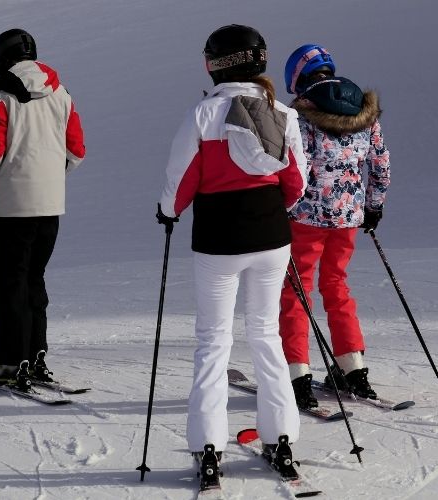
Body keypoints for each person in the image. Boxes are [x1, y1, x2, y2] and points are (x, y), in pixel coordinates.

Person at [157, 24, 308, 479]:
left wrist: (169, 212)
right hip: (271, 237)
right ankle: (280, 443)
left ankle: (208, 449)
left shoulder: (203, 115)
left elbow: (180, 179)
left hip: (218, 240)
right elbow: (296, 183)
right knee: (266, 336)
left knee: (213, 341)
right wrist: (267, 208)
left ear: (215, 64)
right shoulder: (282, 113)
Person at [0, 28, 86, 389]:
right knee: (34, 279)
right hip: (51, 205)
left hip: (14, 207)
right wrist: (48, 178)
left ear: (1, 58)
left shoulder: (2, 97)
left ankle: (13, 363)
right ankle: (35, 357)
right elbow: (76, 152)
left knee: (11, 281)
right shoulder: (61, 93)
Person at [278, 44, 391, 408]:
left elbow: (299, 168)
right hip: (348, 218)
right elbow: (380, 163)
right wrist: (373, 205)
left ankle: (297, 374)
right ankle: (353, 367)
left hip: (306, 218)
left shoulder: (301, 116)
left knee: (296, 290)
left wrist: (283, 208)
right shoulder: (364, 111)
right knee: (336, 284)